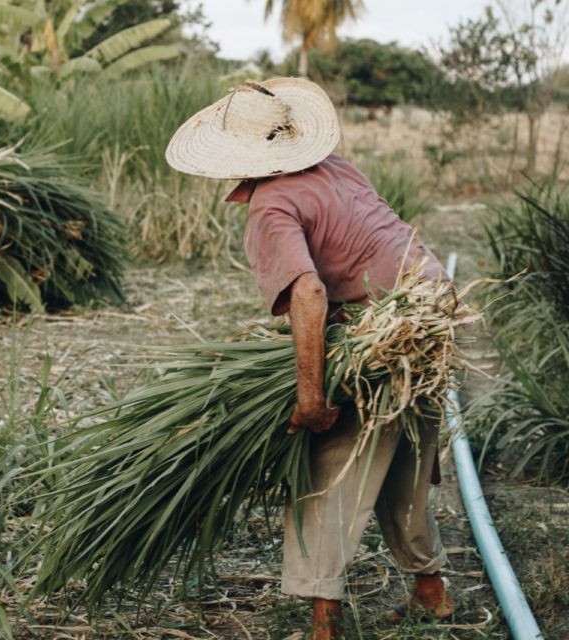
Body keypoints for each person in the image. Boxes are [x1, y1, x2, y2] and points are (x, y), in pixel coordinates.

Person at [165, 78, 454, 639]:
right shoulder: (337, 168)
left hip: (381, 334)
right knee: (406, 462)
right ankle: (431, 593)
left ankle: (325, 624)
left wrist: (311, 397)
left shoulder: (272, 204)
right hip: (426, 318)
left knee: (329, 470)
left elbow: (309, 292)